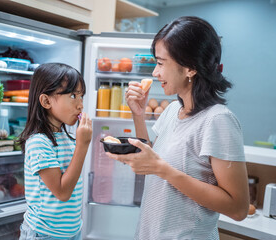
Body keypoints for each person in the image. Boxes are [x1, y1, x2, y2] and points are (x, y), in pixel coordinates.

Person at [106, 16, 249, 239]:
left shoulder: (218, 120)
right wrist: (138, 115)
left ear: (190, 67)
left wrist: (163, 170)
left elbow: (238, 208)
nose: (155, 72)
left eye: (161, 63)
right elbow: (153, 162)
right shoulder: (173, 110)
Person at [18, 63, 92, 240]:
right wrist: (82, 145)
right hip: (43, 234)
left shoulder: (66, 138)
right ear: (46, 101)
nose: (80, 105)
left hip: (71, 231)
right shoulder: (38, 142)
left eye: (81, 96)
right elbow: (62, 192)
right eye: (73, 95)